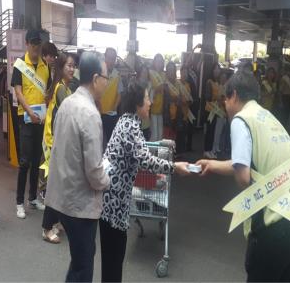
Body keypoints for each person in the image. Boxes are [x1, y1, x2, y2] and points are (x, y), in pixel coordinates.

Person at [197, 68, 290, 282]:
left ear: (233, 95)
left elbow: (243, 177)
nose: (225, 104)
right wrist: (213, 165)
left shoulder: (241, 120)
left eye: (225, 98)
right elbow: (249, 164)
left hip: (276, 226)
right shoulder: (266, 117)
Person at [100, 81, 189, 282]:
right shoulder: (132, 125)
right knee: (114, 258)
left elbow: (136, 153)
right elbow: (145, 159)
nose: (150, 102)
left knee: (110, 258)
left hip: (109, 196)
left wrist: (158, 151)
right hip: (115, 199)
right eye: (147, 98)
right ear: (138, 104)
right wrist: (175, 167)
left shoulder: (125, 120)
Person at [44, 52, 110, 282]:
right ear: (95, 78)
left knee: (80, 259)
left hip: (62, 197)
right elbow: (94, 171)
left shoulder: (69, 102)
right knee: (83, 266)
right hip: (80, 204)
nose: (107, 82)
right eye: (106, 77)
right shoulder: (90, 114)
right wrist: (107, 180)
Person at [12, 29, 51, 219]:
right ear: (27, 44)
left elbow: (48, 92)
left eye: (38, 44)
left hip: (41, 120)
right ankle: (20, 202)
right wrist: (30, 112)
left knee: (37, 160)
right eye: (33, 43)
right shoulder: (20, 65)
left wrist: (45, 108)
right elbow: (18, 93)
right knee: (25, 161)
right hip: (27, 120)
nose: (36, 47)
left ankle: (33, 198)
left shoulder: (45, 67)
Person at [40, 53, 75, 244]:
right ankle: (47, 227)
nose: (72, 69)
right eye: (69, 65)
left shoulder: (65, 88)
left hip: (59, 143)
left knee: (61, 186)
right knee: (55, 188)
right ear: (61, 68)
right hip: (54, 144)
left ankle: (56, 222)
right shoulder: (61, 89)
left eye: (73, 65)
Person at [100, 48, 123, 145]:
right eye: (109, 58)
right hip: (98, 113)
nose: (111, 61)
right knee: (98, 140)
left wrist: (114, 107)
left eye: (113, 59)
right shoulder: (98, 72)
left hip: (111, 115)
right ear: (104, 57)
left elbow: (120, 93)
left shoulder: (117, 75)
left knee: (110, 141)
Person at [204, 63, 224, 159]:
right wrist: (217, 98)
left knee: (213, 130)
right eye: (215, 69)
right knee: (210, 130)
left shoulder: (217, 83)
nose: (217, 71)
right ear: (212, 71)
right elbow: (207, 97)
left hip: (215, 110)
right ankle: (206, 150)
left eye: (218, 69)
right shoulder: (209, 82)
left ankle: (211, 150)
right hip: (210, 110)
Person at [149, 54, 167, 141]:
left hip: (161, 109)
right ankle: (152, 154)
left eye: (161, 61)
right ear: (154, 62)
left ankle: (158, 154)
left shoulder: (164, 74)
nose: (159, 63)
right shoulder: (150, 73)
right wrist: (155, 90)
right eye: (157, 61)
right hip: (152, 109)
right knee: (154, 135)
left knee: (160, 136)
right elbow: (147, 89)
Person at [212, 71, 228, 156]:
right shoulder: (217, 86)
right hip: (217, 111)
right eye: (222, 78)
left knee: (221, 130)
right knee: (217, 131)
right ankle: (214, 148)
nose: (223, 79)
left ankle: (217, 146)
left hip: (224, 112)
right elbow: (217, 99)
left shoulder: (226, 88)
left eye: (225, 78)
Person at [137, 64, 152, 140]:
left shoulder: (150, 85)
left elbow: (151, 100)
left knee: (145, 138)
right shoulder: (134, 84)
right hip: (136, 115)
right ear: (139, 73)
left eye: (146, 72)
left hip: (145, 115)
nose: (144, 74)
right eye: (143, 72)